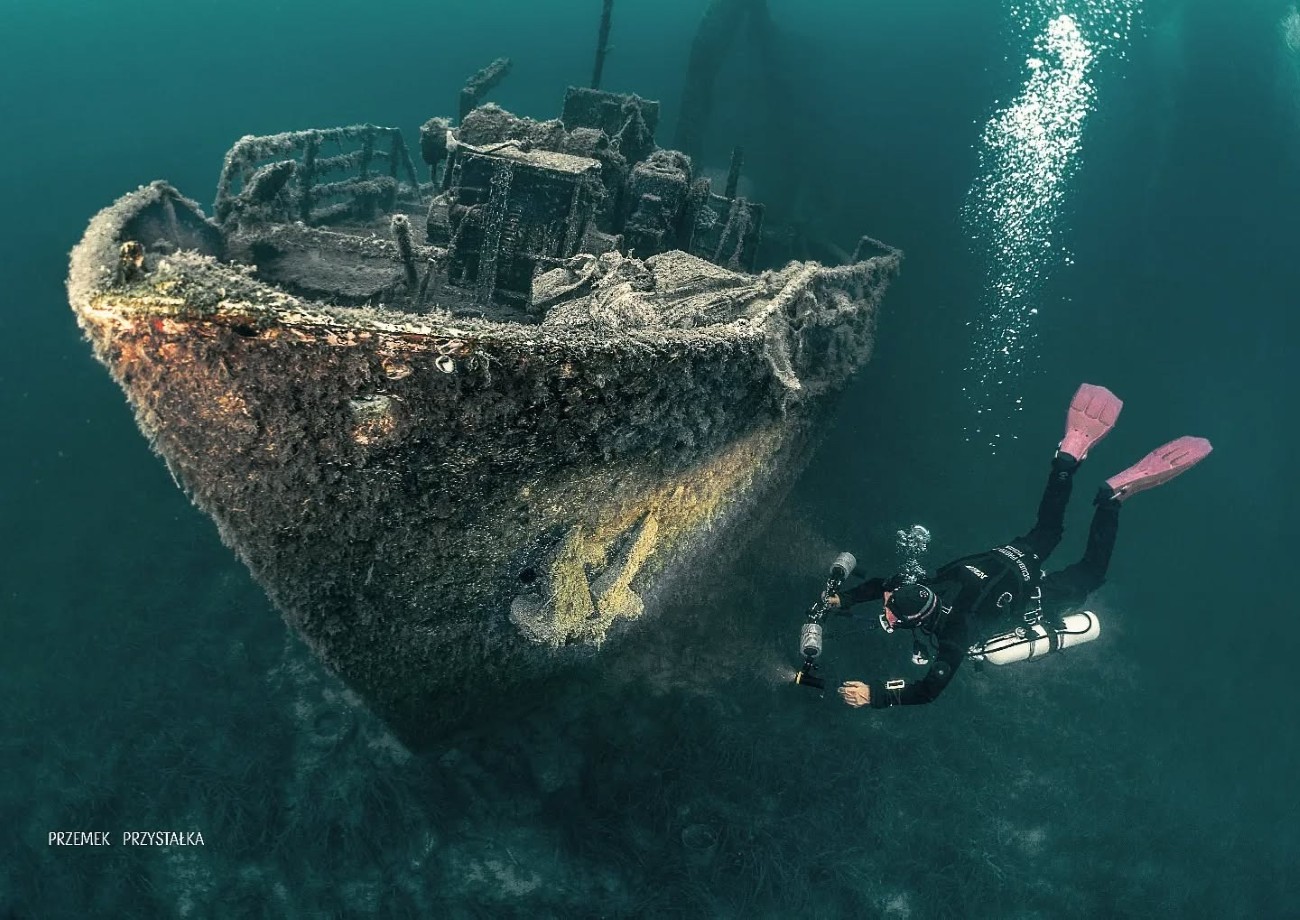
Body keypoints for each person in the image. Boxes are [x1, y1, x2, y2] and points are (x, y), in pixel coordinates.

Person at [830, 384, 1212, 710]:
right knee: (1047, 529)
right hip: (1011, 558)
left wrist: (873, 696)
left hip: (1029, 590)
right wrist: (842, 601)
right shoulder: (917, 584)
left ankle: (1112, 500)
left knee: (1090, 574)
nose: (889, 617)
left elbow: (930, 691)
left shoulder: (954, 634)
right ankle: (1067, 461)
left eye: (894, 618)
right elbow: (880, 584)